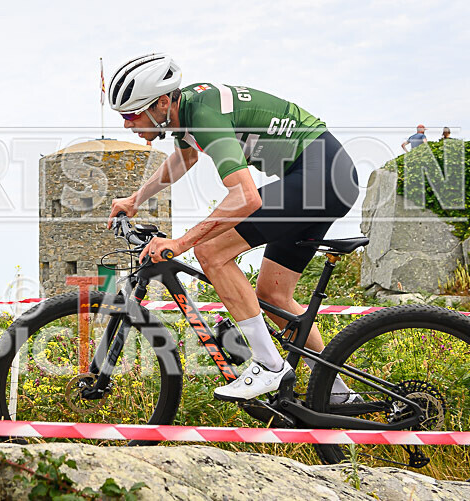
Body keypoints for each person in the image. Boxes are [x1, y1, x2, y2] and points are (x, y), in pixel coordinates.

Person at [106, 53, 360, 403]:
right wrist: (136, 199)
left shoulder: (204, 116)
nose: (126, 125)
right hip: (324, 177)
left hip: (319, 178)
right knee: (274, 296)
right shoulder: (185, 112)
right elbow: (185, 158)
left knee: (210, 251)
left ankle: (270, 366)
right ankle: (337, 392)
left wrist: (181, 242)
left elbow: (246, 196)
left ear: (162, 103)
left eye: (131, 115)